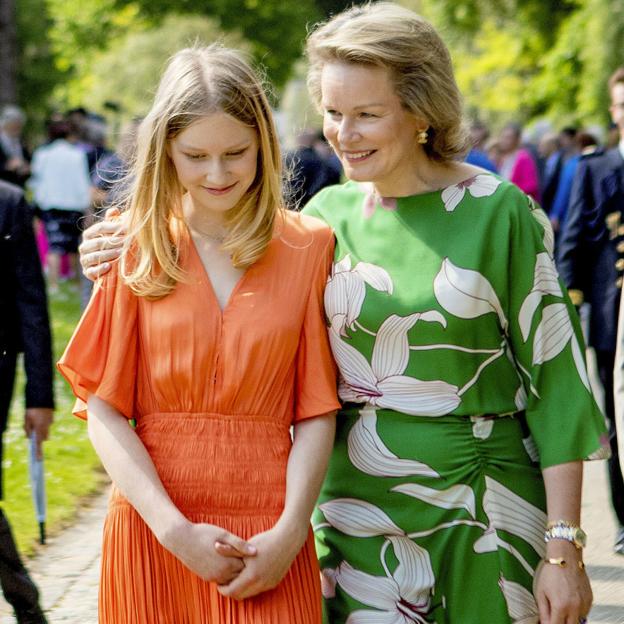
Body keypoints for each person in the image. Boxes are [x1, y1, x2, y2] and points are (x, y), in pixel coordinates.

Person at [78, 5, 607, 623]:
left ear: (421, 112)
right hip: (352, 515)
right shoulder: (324, 218)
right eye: (332, 113)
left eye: (366, 114)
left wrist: (564, 546)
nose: (343, 133)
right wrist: (108, 244)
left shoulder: (499, 212)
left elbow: (557, 386)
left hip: (482, 505)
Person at [58, 45, 338, 623]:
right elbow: (104, 411)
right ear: (166, 151)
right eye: (196, 156)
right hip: (154, 525)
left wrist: (290, 534)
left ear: (264, 141)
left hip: (271, 529)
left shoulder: (310, 245)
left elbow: (315, 410)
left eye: (236, 153)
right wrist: (173, 530)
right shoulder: (128, 243)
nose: (218, 174)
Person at [560, 67, 624, 556]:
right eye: (621, 105)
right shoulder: (596, 167)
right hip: (613, 315)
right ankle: (623, 517)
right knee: (616, 417)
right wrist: (567, 308)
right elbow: (573, 244)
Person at [0, 179, 53, 624]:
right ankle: (24, 599)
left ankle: (24, 601)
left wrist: (40, 396)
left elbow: (31, 302)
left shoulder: (9, 203)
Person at [29, 119, 91, 293]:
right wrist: (87, 207)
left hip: (50, 205)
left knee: (54, 246)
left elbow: (36, 181)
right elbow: (82, 182)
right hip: (73, 205)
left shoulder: (42, 154)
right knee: (74, 247)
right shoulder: (77, 155)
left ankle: (54, 284)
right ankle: (76, 283)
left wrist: (37, 205)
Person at [498, 121, 541, 200]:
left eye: (508, 138)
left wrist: (509, 193)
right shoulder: (504, 158)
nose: (503, 140)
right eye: (502, 137)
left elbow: (531, 186)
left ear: (517, 140)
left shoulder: (524, 158)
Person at [0, 106, 30, 188]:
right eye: (13, 125)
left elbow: (28, 160)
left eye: (18, 126)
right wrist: (7, 166)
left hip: (18, 187)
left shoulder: (21, 142)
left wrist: (27, 168)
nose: (16, 128)